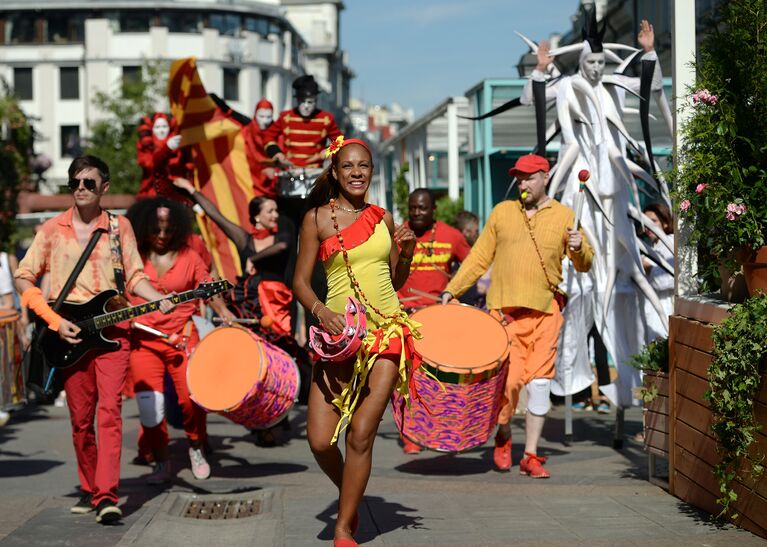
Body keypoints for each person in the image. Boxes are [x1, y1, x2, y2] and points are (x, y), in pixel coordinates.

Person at [14, 155, 175, 523]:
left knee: (109, 412)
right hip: (69, 330)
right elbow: (24, 278)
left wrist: (158, 298)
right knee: (80, 419)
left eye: (90, 183)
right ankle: (89, 488)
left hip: (114, 330)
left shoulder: (120, 228)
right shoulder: (52, 229)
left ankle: (107, 495)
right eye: (75, 183)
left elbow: (134, 277)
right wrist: (54, 321)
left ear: (104, 187)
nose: (82, 189)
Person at [293, 136, 418, 546]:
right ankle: (352, 490)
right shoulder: (316, 219)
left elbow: (396, 281)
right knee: (319, 441)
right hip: (338, 337)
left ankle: (345, 527)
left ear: (371, 171)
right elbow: (300, 282)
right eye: (348, 166)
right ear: (335, 171)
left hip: (386, 331)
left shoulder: (383, 219)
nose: (357, 172)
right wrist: (321, 312)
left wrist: (409, 253)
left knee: (361, 433)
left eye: (363, 165)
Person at [442, 154, 593, 478]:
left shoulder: (566, 215)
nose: (523, 184)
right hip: (505, 317)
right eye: (519, 178)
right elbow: (478, 258)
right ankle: (505, 433)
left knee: (539, 385)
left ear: (545, 177)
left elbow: (585, 264)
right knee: (508, 386)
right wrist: (451, 291)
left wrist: (579, 247)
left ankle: (531, 454)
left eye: (529, 178)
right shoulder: (503, 212)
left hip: (544, 313)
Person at [125, 198, 235, 484]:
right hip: (143, 341)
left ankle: (196, 447)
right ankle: (161, 462)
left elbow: (209, 289)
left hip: (182, 338)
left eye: (168, 229)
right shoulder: (133, 256)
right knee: (150, 406)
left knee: (190, 401)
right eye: (156, 229)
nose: (162, 236)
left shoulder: (190, 256)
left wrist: (223, 312)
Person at [173, 178, 294, 335]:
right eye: (270, 211)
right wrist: (192, 190)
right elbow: (215, 215)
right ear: (257, 216)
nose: (275, 215)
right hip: (249, 302)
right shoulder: (244, 240)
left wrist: (253, 259)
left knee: (281, 343)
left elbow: (283, 246)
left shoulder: (282, 235)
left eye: (276, 211)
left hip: (275, 303)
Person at [396, 189, 471, 310]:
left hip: (440, 310)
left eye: (422, 208)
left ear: (433, 209)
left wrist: (455, 281)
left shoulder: (452, 235)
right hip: (404, 311)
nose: (416, 212)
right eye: (412, 208)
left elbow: (472, 265)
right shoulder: (396, 235)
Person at [263, 75, 342, 170]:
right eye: (302, 102)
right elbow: (268, 137)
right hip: (290, 169)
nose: (306, 106)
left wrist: (328, 151)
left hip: (314, 171)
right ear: (297, 101)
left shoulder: (326, 118)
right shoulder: (285, 117)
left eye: (310, 102)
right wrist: (276, 153)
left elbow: (340, 141)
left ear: (316, 101)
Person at [136, 113, 191, 200]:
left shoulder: (179, 146)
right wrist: (167, 148)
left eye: (164, 126)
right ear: (151, 129)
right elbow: (151, 165)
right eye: (157, 127)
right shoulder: (146, 146)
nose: (161, 130)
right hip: (153, 196)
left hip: (178, 195)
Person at [641, 202, 674, 342]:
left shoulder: (670, 243)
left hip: (667, 310)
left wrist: (646, 267)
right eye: (645, 222)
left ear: (665, 223)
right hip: (654, 313)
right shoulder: (652, 247)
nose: (648, 226)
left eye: (653, 221)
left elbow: (667, 279)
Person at [241, 99, 280, 198]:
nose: (265, 121)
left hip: (274, 185)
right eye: (261, 116)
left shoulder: (279, 133)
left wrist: (275, 171)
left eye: (269, 117)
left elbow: (283, 158)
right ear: (255, 115)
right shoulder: (246, 132)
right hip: (250, 179)